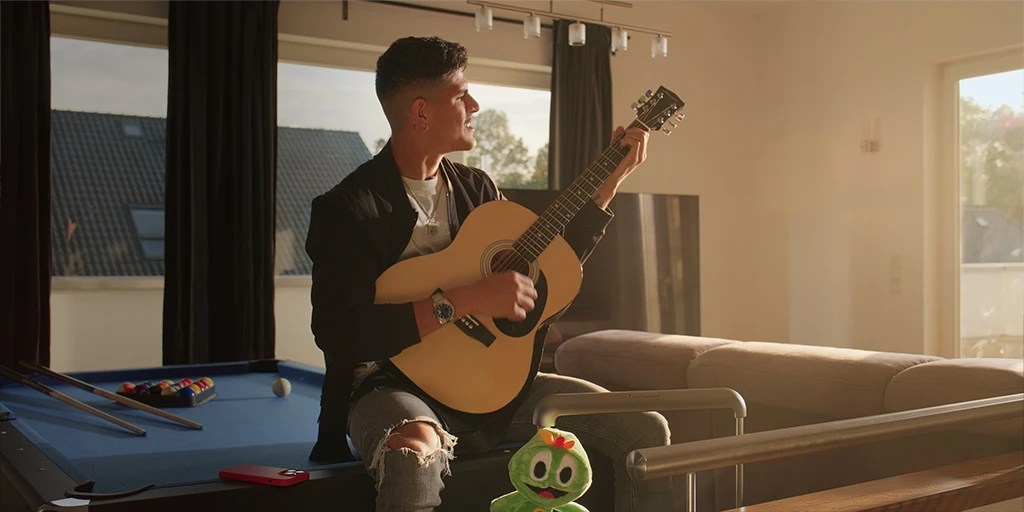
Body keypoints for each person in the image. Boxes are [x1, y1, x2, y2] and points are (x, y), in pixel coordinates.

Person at [304, 36, 674, 512]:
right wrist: (466, 299)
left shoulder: (478, 189)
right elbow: (338, 332)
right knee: (412, 457)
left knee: (645, 427)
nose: (475, 104)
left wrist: (605, 190)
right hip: (390, 387)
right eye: (461, 95)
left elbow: (546, 262)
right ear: (421, 112)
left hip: (495, 388)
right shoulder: (348, 209)